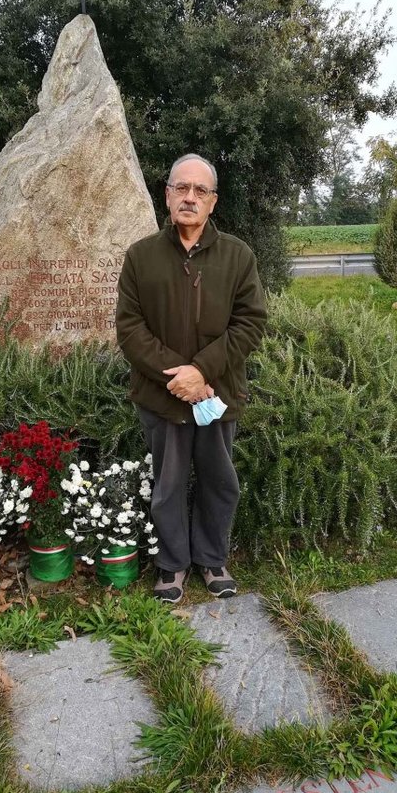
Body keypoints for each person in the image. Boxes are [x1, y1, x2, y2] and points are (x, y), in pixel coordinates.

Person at [115, 153, 267, 604]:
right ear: (167, 195)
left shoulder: (237, 256)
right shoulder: (141, 257)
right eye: (181, 188)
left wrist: (201, 371)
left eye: (200, 191)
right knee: (168, 483)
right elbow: (129, 327)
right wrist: (177, 378)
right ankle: (172, 564)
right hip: (161, 398)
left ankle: (212, 558)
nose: (190, 197)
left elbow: (250, 322)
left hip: (216, 394)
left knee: (219, 480)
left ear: (213, 202)